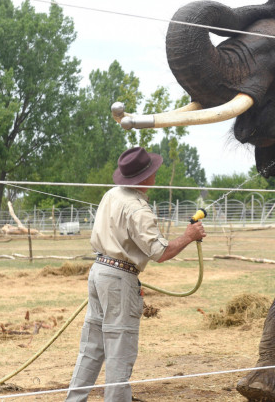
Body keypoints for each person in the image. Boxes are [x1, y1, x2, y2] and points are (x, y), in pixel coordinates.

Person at [66, 147, 206, 401]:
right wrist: (189, 236)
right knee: (120, 346)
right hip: (119, 278)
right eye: (152, 170)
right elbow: (159, 253)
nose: (156, 174)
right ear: (144, 178)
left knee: (92, 345)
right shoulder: (138, 208)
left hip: (99, 271)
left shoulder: (112, 194)